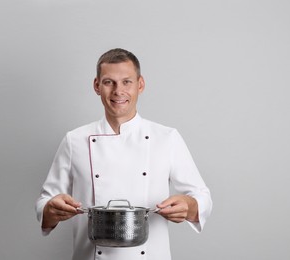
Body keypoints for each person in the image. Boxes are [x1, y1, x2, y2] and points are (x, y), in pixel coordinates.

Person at [35, 48, 212, 260]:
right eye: (109, 82)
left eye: (127, 82)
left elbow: (202, 196)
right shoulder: (75, 140)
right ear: (97, 86)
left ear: (140, 84)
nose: (118, 91)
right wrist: (50, 210)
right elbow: (46, 201)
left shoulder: (166, 138)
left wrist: (191, 206)